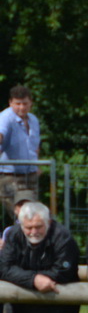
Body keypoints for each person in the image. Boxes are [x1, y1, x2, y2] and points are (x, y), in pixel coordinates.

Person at [0, 86, 42, 216]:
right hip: (11, 176)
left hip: (30, 175)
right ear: (10, 103)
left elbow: (35, 145)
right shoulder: (6, 117)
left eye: (25, 103)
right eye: (18, 104)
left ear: (31, 103)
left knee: (33, 214)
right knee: (22, 215)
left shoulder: (33, 120)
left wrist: (37, 164)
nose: (21, 107)